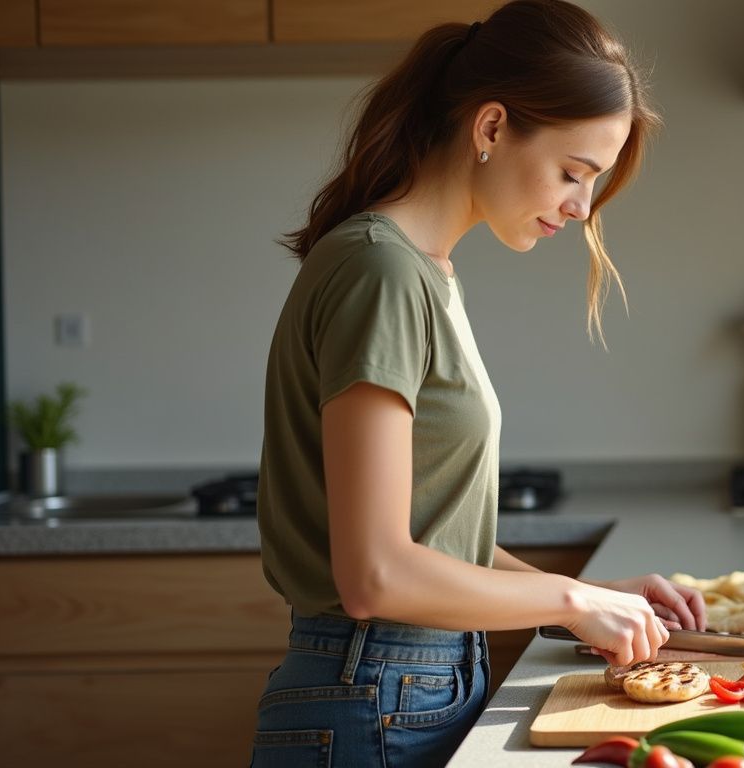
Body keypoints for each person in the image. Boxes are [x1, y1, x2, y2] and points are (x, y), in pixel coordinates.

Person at [250, 2, 704, 766]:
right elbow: (376, 575)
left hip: (406, 687)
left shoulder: (423, 272)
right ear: (491, 128)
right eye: (572, 172)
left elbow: (435, 541)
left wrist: (592, 600)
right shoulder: (381, 270)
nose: (580, 207)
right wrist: (573, 598)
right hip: (372, 694)